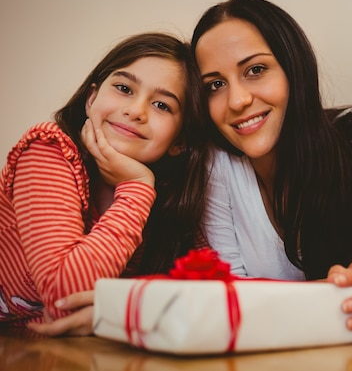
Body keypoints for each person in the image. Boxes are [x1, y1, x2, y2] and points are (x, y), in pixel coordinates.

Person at [191, 0, 352, 343]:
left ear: (294, 69)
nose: (237, 101)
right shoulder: (216, 164)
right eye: (215, 85)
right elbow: (229, 302)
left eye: (256, 70)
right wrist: (333, 291)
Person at [0, 32, 210, 334]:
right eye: (124, 88)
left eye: (162, 106)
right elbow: (65, 298)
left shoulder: (172, 200)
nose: (136, 111)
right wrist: (137, 185)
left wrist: (125, 310)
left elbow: (212, 289)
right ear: (91, 99)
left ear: (180, 141)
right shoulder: (48, 149)